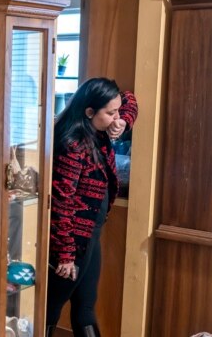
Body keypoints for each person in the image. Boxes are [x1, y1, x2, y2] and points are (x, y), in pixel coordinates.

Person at [46, 77, 138, 337]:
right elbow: (61, 202)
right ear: (89, 113)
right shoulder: (74, 144)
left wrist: (123, 121)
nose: (116, 117)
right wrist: (65, 254)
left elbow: (130, 98)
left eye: (117, 111)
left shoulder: (98, 131)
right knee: (50, 309)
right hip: (73, 241)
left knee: (85, 307)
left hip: (90, 237)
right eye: (110, 113)